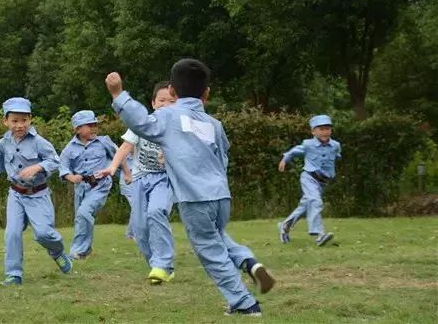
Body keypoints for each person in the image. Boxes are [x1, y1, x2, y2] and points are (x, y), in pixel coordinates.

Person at [105, 59, 275, 316]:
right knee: (216, 236)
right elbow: (223, 158)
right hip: (220, 196)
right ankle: (248, 261)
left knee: (209, 251)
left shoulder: (168, 116)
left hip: (194, 199)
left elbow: (139, 122)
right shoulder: (214, 124)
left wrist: (119, 94)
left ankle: (244, 304)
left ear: (171, 92)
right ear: (206, 93)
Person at [0, 97, 72, 286]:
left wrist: (37, 167)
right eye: (14, 121)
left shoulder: (39, 142)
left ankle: (57, 252)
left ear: (30, 120)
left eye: (24, 120)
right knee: (12, 233)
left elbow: (55, 161)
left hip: (39, 194)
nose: (19, 125)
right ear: (5, 121)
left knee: (44, 234)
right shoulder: (2, 144)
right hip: (16, 195)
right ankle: (14, 274)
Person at [97, 81, 176, 285]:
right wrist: (113, 167)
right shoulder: (144, 123)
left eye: (172, 101)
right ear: (153, 103)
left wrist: (170, 157)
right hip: (140, 178)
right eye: (162, 100)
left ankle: (163, 264)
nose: (166, 104)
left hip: (164, 180)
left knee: (156, 212)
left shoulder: (178, 126)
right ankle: (156, 266)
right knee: (140, 229)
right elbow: (125, 147)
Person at [59, 110, 127, 260]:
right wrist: (71, 177)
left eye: (95, 124)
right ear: (77, 129)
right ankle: (86, 250)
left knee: (84, 213)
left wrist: (127, 173)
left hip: (100, 185)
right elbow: (62, 167)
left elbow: (120, 157)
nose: (93, 128)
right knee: (81, 218)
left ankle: (76, 252)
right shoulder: (69, 149)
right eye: (89, 125)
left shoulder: (104, 142)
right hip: (81, 188)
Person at [277, 115, 341, 246]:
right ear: (313, 131)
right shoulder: (308, 145)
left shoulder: (335, 145)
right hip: (309, 178)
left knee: (305, 206)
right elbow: (294, 151)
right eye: (321, 129)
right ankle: (319, 234)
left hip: (322, 182)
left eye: (328, 129)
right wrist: (284, 159)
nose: (325, 132)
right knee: (315, 201)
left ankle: (285, 225)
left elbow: (336, 156)